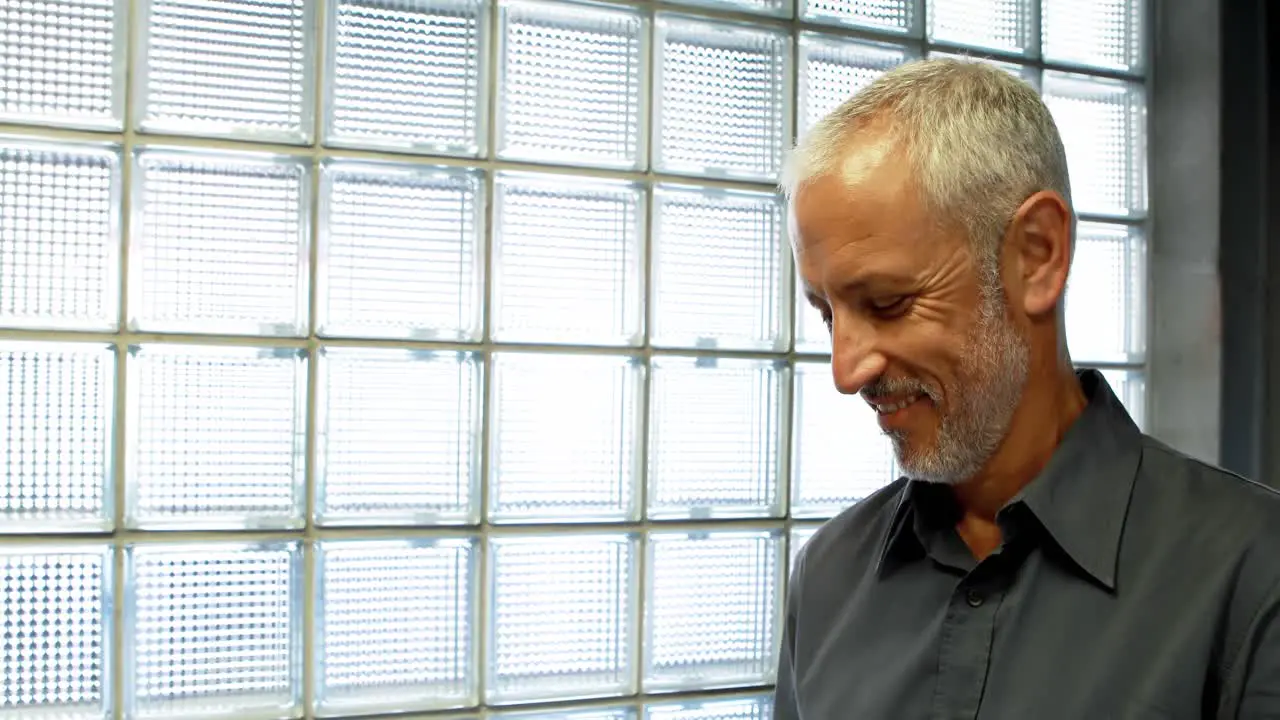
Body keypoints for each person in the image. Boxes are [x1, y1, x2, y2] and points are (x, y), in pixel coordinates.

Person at [775, 58, 1280, 719]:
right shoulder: (827, 578)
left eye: (889, 303)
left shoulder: (1254, 574)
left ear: (1036, 255)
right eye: (825, 312)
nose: (847, 372)